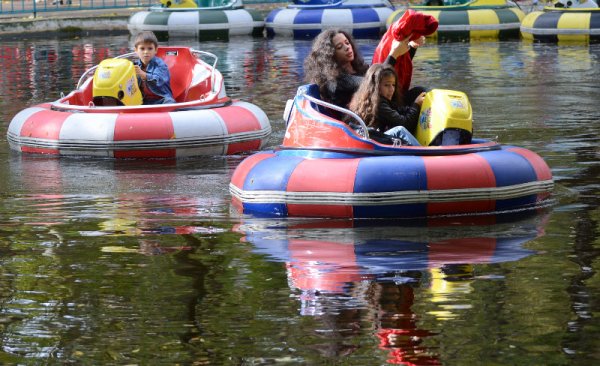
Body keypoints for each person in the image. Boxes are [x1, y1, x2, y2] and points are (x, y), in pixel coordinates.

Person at [303, 28, 427, 109]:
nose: (347, 47)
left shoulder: (361, 69)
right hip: (362, 125)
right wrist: (393, 54)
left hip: (384, 110)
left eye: (347, 43)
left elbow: (391, 74)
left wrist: (411, 48)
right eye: (340, 47)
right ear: (330, 55)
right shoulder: (335, 81)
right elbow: (374, 82)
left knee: (420, 92)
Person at [348, 63, 425, 146]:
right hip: (370, 142)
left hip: (373, 138)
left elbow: (398, 112)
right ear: (375, 86)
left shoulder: (374, 100)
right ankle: (425, 154)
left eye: (393, 85)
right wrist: (416, 105)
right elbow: (404, 124)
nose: (391, 89)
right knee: (400, 130)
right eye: (386, 85)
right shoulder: (378, 104)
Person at [133, 31, 175, 105]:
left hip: (160, 99)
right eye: (142, 49)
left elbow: (159, 80)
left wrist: (144, 75)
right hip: (142, 101)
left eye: (150, 48)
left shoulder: (160, 65)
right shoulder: (134, 65)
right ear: (136, 50)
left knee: (170, 102)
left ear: (155, 50)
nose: (146, 52)